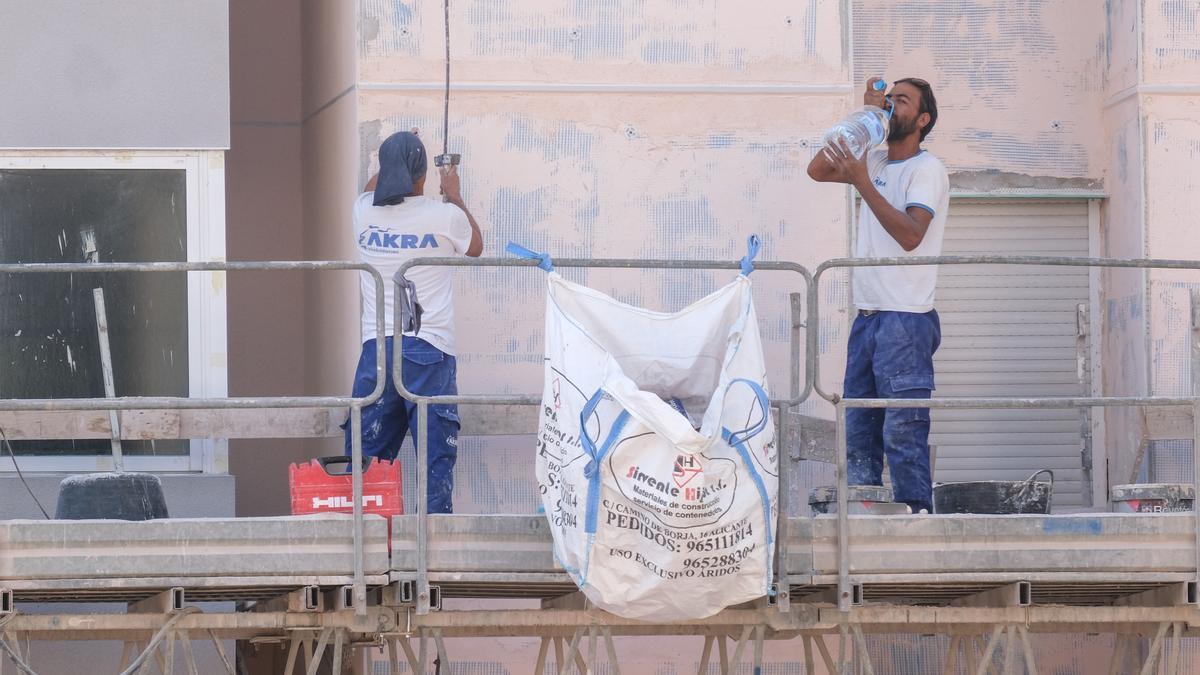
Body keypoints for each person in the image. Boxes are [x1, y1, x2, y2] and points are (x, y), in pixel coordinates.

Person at [806, 77, 949, 514]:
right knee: (860, 428)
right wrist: (869, 119)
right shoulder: (881, 163)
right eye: (889, 99)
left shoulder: (927, 170)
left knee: (902, 430)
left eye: (900, 101)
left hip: (906, 319)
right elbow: (818, 169)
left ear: (923, 119)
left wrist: (863, 181)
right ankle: (866, 520)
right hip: (868, 317)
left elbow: (911, 235)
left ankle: (916, 520)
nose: (892, 106)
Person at [345, 130, 483, 514]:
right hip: (428, 351)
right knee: (435, 458)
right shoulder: (445, 216)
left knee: (366, 458)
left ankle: (366, 553)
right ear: (421, 175)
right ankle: (433, 557)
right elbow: (475, 247)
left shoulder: (363, 212)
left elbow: (372, 189)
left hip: (377, 353)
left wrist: (394, 152)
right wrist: (452, 190)